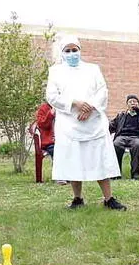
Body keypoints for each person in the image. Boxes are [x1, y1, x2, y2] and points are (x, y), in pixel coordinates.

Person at [45, 35, 126, 210]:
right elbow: (52, 96)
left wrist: (90, 107)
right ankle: (77, 198)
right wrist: (75, 103)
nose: (72, 53)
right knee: (73, 160)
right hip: (69, 124)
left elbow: (102, 91)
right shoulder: (55, 72)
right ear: (62, 53)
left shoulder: (93, 69)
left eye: (75, 50)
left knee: (99, 160)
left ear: (80, 50)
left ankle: (108, 198)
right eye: (68, 50)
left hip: (93, 123)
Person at [109, 94, 139, 180]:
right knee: (116, 144)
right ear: (127, 105)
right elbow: (112, 125)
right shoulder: (121, 115)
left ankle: (136, 173)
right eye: (130, 102)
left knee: (137, 145)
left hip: (135, 137)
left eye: (135, 101)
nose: (132, 103)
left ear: (138, 104)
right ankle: (116, 173)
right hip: (121, 136)